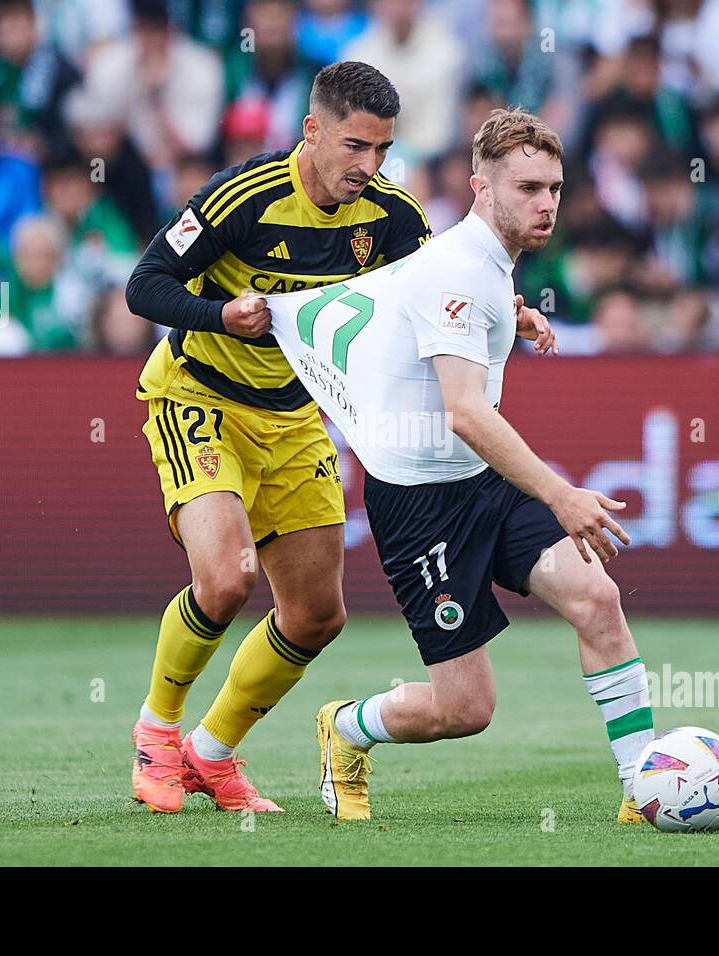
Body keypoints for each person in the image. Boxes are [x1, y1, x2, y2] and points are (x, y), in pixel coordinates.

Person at [263, 108, 652, 823]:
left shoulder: (481, 268)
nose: (546, 204)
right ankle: (345, 728)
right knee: (466, 710)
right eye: (528, 187)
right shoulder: (458, 270)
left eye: (555, 188)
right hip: (421, 508)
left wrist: (514, 312)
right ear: (481, 187)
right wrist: (562, 495)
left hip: (482, 484)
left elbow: (436, 307)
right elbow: (467, 414)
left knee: (599, 600)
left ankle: (645, 788)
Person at [122, 61, 433, 814]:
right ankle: (157, 733)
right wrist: (220, 314)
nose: (369, 166)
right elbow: (145, 285)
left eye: (383, 150)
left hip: (295, 415)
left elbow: (436, 295)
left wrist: (509, 311)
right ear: (312, 130)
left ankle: (211, 753)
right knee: (226, 578)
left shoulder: (389, 217)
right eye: (356, 146)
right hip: (199, 397)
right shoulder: (243, 196)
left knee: (317, 615)